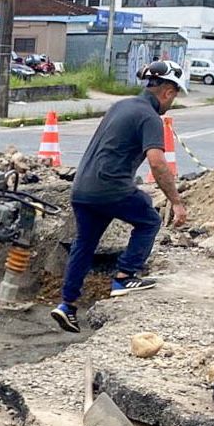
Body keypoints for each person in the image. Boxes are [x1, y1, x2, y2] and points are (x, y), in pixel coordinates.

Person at [51, 60, 188, 334]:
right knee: (149, 220)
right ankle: (125, 276)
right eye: (174, 96)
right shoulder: (150, 117)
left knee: (84, 243)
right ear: (168, 92)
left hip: (82, 188)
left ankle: (67, 305)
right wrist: (176, 201)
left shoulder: (121, 106)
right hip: (110, 187)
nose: (172, 102)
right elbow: (157, 162)